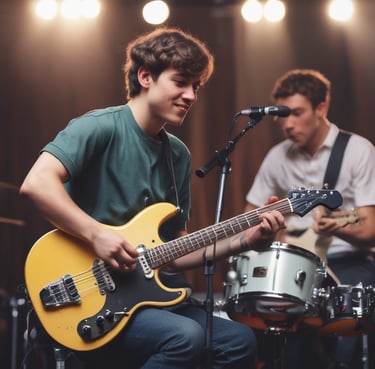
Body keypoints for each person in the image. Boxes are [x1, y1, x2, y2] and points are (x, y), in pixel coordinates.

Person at [20, 27, 286, 369]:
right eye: (181, 82)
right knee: (185, 337)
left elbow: (175, 250)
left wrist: (248, 239)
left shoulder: (177, 155)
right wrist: (97, 235)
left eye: (196, 87)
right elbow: (37, 183)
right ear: (145, 76)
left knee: (239, 341)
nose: (191, 95)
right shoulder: (99, 127)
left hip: (145, 298)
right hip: (88, 299)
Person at [244, 69, 375, 369]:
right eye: (283, 116)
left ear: (321, 109)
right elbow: (248, 214)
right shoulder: (277, 156)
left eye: (297, 113)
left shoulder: (357, 151)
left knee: (348, 313)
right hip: (294, 263)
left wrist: (339, 228)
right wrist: (267, 227)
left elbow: (370, 229)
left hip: (347, 259)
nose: (288, 124)